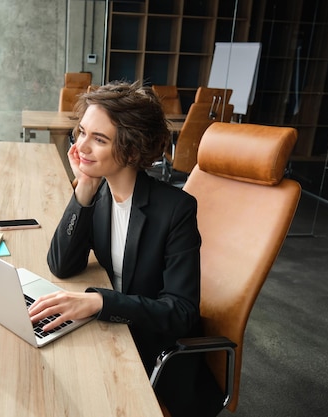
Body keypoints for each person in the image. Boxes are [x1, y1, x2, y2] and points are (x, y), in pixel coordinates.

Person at [27, 81, 202, 414]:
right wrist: (85, 188)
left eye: (99, 139)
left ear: (132, 152)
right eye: (80, 133)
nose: (80, 147)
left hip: (150, 350)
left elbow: (182, 313)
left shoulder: (176, 210)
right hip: (112, 330)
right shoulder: (100, 194)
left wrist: (99, 301)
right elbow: (62, 264)